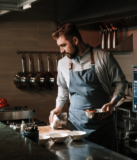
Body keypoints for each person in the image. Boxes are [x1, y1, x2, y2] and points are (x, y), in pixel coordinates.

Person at [49, 22, 128, 152]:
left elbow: (121, 82)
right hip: (75, 126)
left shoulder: (104, 57)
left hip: (102, 127)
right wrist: (59, 106)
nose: (61, 51)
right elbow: (62, 87)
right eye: (59, 46)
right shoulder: (62, 64)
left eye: (63, 45)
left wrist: (113, 103)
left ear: (75, 40)